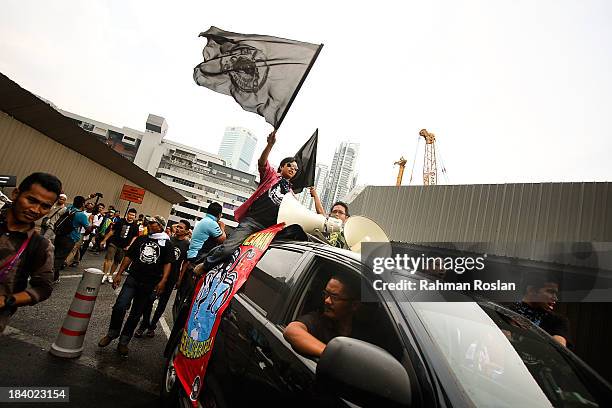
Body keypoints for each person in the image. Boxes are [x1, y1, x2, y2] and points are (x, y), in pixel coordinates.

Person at [204, 130, 297, 269]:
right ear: (282, 166)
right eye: (290, 165)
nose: (292, 169)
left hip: (268, 231)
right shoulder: (271, 176)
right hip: (252, 222)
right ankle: (205, 264)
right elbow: (262, 162)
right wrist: (270, 145)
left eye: (295, 169)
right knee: (228, 249)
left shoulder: (291, 195)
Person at [97, 215, 173, 357]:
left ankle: (124, 342)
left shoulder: (166, 244)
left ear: (160, 226)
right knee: (120, 306)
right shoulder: (141, 239)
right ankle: (112, 333)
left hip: (149, 284)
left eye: (152, 223)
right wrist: (118, 274)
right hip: (133, 278)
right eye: (148, 222)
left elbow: (168, 263)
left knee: (135, 314)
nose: (148, 225)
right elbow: (129, 256)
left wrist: (163, 281)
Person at [0, 172, 62, 333]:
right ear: (16, 194)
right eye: (31, 200)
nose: (35, 210)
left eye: (45, 206)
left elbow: (44, 288)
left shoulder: (40, 245)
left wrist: (8, 300)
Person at [136, 219, 191, 338]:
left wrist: (180, 279)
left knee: (162, 304)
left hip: (172, 278)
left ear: (187, 231)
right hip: (159, 276)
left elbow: (186, 263)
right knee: (149, 300)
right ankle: (144, 324)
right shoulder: (168, 240)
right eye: (178, 227)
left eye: (182, 228)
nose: (178, 229)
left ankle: (152, 326)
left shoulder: (187, 245)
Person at [283, 274, 360, 357]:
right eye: (326, 294)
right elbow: (291, 330)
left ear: (354, 305)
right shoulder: (317, 320)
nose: (327, 301)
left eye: (335, 297)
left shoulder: (364, 333)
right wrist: (334, 356)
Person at [508, 275, 570, 346]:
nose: (555, 298)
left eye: (556, 293)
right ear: (531, 290)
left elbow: (558, 347)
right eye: (550, 292)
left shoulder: (558, 320)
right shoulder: (504, 312)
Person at [52, 195, 92, 282]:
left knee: (56, 255)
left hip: (59, 235)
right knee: (60, 258)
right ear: (82, 204)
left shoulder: (69, 208)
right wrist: (88, 230)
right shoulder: (81, 215)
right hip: (70, 239)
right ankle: (52, 277)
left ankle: (55, 275)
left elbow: (78, 201)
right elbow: (88, 228)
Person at [99, 208, 139, 283]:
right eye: (130, 214)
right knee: (108, 259)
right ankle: (104, 274)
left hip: (124, 246)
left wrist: (129, 245)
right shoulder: (120, 221)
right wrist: (104, 240)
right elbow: (112, 231)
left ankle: (110, 275)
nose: (131, 216)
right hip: (114, 243)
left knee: (117, 261)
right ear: (127, 214)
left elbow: (135, 237)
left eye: (133, 215)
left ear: (135, 216)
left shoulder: (135, 226)